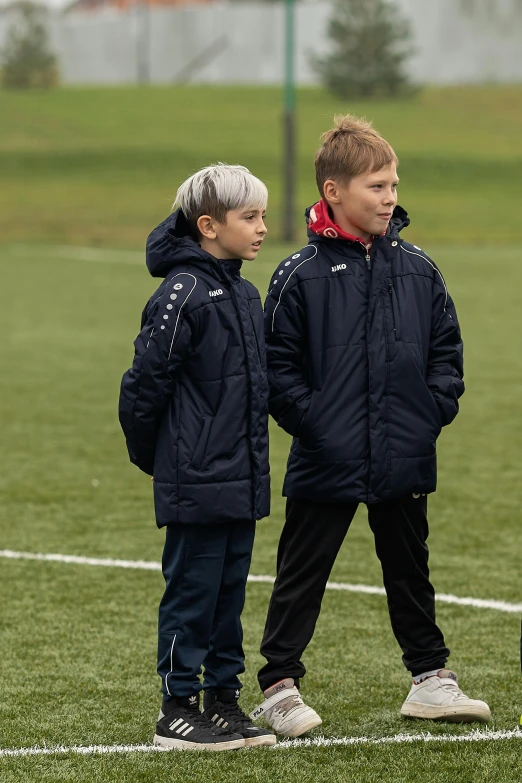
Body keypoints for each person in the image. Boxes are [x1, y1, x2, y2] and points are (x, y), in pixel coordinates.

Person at [249, 115, 491, 738]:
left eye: (393, 184)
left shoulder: (419, 269)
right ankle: (279, 685)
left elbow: (447, 351)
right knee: (303, 569)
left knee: (410, 568)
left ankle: (431, 680)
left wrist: (430, 413)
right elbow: (276, 366)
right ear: (333, 191)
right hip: (327, 453)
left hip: (403, 450)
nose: (390, 197)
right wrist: (316, 423)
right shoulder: (297, 274)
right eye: (377, 186)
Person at [119, 163, 275, 750]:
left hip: (240, 478)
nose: (262, 227)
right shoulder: (181, 294)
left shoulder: (242, 291)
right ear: (209, 226)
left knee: (229, 593)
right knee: (192, 592)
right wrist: (160, 459)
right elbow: (142, 387)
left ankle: (224, 702)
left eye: (263, 215)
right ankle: (176, 709)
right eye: (250, 217)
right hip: (195, 478)